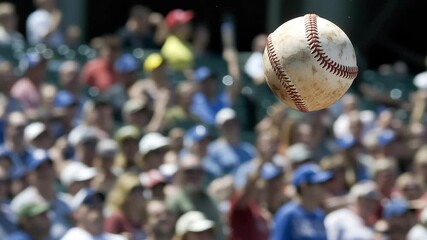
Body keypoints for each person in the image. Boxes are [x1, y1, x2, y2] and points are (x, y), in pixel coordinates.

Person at [11, 149, 72, 240]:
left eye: (48, 166)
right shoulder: (20, 203)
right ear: (29, 174)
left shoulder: (67, 201)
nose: (45, 172)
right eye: (39, 169)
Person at [166, 154, 224, 240]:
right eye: (190, 171)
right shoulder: (174, 201)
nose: (195, 175)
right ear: (180, 174)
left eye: (199, 171)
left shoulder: (212, 199)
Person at [270, 163, 333, 240]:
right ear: (304, 186)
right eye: (320, 184)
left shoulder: (319, 215)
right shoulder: (288, 214)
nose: (325, 188)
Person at [203, 108, 256, 179]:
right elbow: (215, 174)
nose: (231, 127)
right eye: (227, 125)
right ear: (219, 127)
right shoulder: (212, 149)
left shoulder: (249, 149)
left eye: (233, 124)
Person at [61, 188, 126, 240]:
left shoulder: (118, 238)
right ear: (76, 213)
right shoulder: (72, 237)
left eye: (99, 204)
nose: (96, 208)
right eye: (90, 204)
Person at [104, 173, 146, 240]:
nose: (138, 194)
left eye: (140, 189)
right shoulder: (115, 218)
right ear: (123, 194)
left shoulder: (145, 215)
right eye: (134, 191)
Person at [161, 9, 195, 74]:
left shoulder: (185, 44)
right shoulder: (172, 46)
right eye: (184, 24)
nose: (189, 26)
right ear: (175, 27)